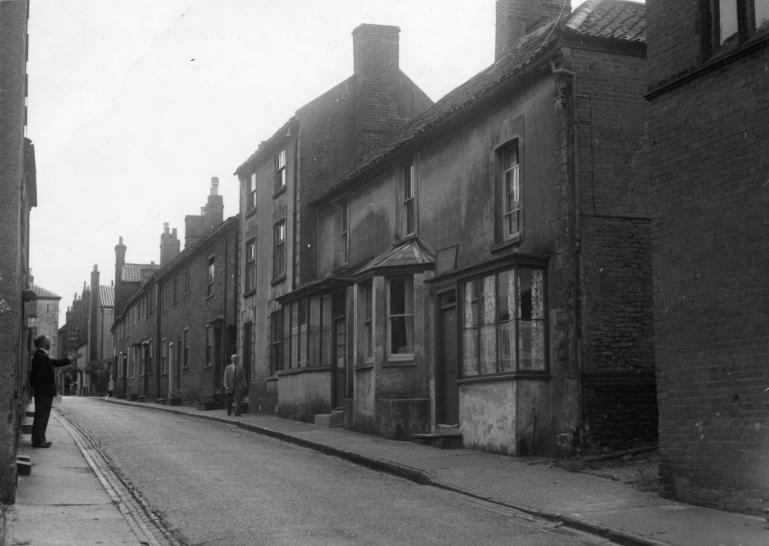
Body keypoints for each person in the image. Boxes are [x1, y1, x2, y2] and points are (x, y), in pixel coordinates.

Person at [28, 335, 73, 448]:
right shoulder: (41, 356)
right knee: (42, 416)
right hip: (44, 392)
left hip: (42, 391)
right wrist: (43, 388)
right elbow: (40, 376)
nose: (50, 343)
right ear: (43, 343)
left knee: (41, 416)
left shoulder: (42, 355)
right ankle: (38, 441)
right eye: (48, 341)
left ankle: (39, 439)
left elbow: (54, 362)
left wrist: (69, 360)